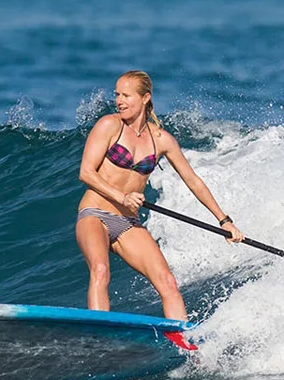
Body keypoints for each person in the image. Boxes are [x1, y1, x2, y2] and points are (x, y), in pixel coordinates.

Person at [76, 70, 245, 322]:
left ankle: (187, 348)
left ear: (145, 98)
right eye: (117, 95)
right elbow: (86, 173)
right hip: (94, 214)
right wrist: (121, 197)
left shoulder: (162, 140)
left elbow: (193, 181)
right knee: (100, 271)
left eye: (126, 95)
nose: (119, 101)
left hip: (127, 223)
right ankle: (99, 337)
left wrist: (224, 221)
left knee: (168, 282)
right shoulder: (109, 125)